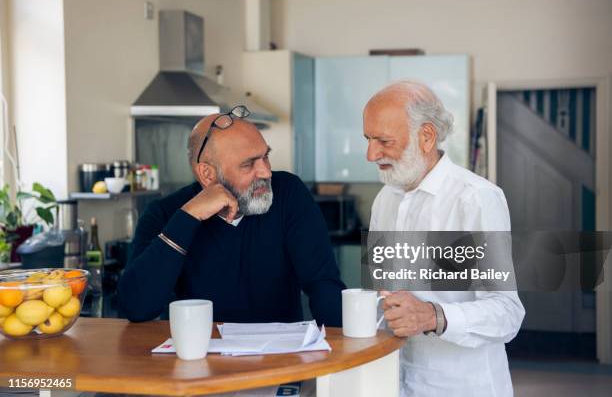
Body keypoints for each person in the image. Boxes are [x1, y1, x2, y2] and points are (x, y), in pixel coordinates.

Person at [363, 81, 525, 396]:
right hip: (396, 382)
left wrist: (432, 315)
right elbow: (381, 290)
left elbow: (507, 312)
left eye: (383, 140)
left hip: (462, 387)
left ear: (426, 136)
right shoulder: (385, 198)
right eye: (368, 139)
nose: (370, 154)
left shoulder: (476, 198)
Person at [118, 106, 345, 326]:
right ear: (207, 174)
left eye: (265, 156)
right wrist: (189, 217)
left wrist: (344, 350)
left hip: (280, 359)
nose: (266, 172)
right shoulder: (164, 214)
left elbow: (322, 284)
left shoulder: (288, 193)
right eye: (248, 164)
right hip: (198, 358)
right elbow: (136, 307)